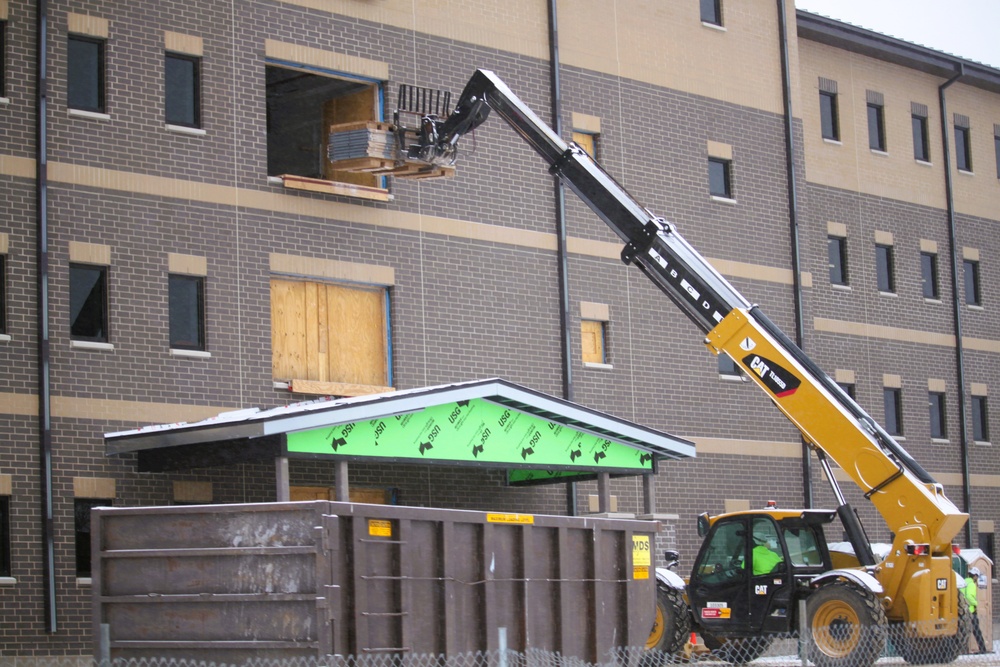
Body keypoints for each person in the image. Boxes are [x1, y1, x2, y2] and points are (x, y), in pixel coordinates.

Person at [965, 567, 989, 654]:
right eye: (977, 576)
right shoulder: (971, 584)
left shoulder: (964, 582)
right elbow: (969, 596)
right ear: (974, 576)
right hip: (971, 611)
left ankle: (964, 649)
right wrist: (976, 603)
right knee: (976, 631)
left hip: (963, 611)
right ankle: (982, 649)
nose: (977, 578)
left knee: (964, 631)